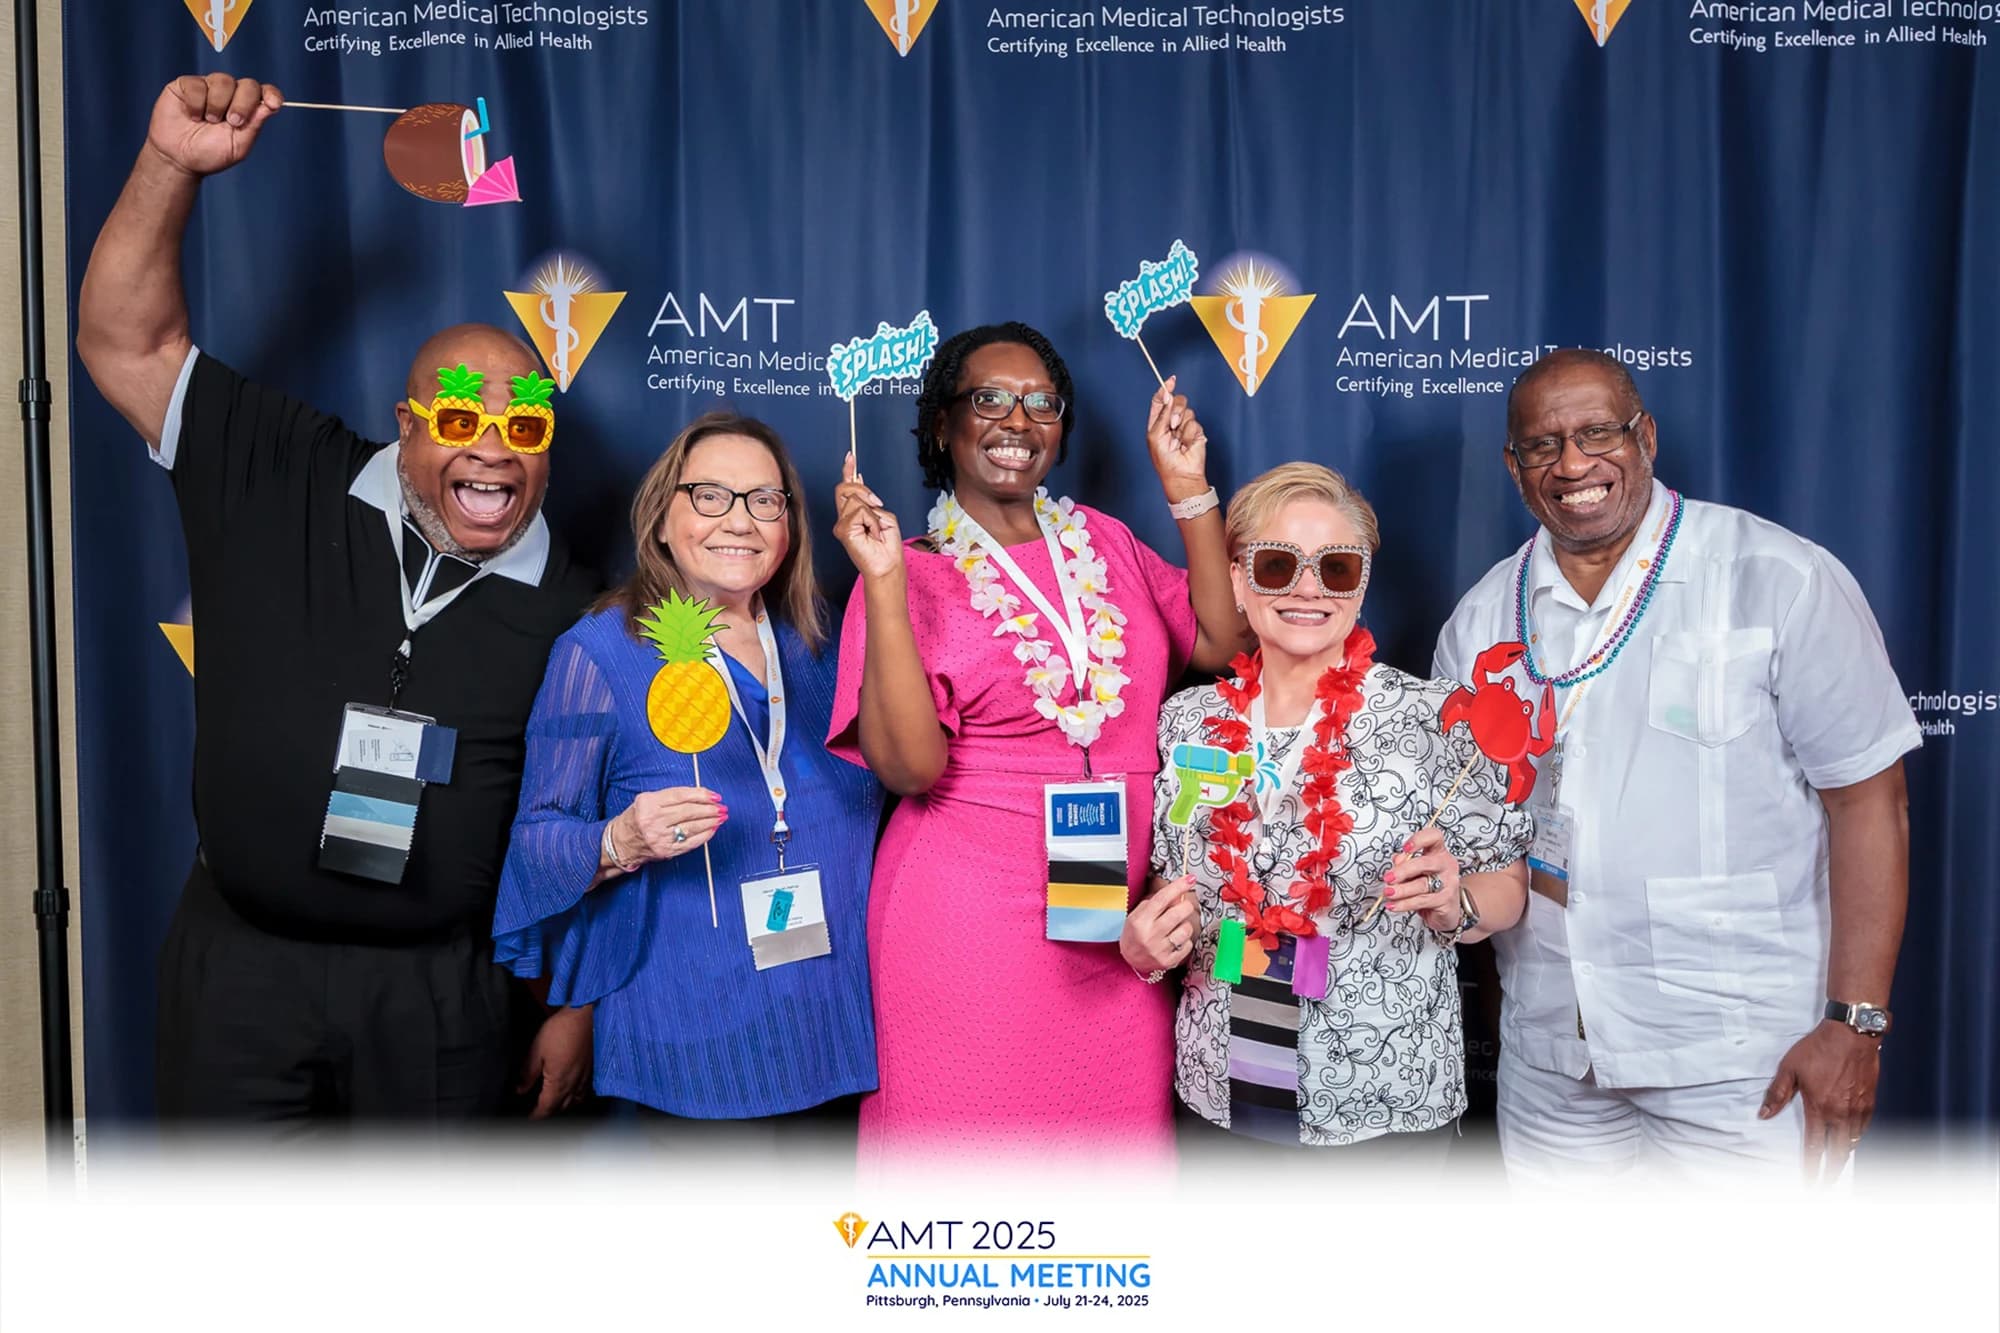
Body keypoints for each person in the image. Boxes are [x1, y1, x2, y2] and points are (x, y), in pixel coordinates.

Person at [75, 73, 600, 1125]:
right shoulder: (277, 468)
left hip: (442, 996)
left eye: (525, 427)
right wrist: (171, 162)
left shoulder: (575, 611)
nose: (493, 447)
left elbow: (580, 814)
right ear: (406, 425)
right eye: (458, 421)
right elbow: (125, 343)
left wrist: (571, 1002)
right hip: (244, 974)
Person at [1436, 348, 1919, 1183]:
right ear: (1515, 468)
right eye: (1543, 445)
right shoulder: (1480, 621)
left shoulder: (1776, 578)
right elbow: (1485, 842)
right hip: (1555, 1062)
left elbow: (1872, 804)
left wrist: (1854, 1025)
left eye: (1597, 432)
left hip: (1743, 1061)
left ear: (1645, 436)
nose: (1574, 463)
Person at [827, 321, 1250, 1166]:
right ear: (942, 425)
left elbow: (1220, 642)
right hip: (966, 927)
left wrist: (1189, 489)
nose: (1016, 421)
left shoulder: (1109, 542)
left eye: (1039, 403)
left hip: (1116, 927)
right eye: (988, 399)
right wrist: (881, 582)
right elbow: (910, 768)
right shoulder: (912, 569)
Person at [1126, 463, 1530, 1159]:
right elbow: (1170, 885)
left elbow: (1510, 886)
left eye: (1336, 566)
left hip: (1382, 1105)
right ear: (1236, 580)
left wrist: (1456, 900)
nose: (1308, 587)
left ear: (1363, 581)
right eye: (1278, 563)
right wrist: (1143, 946)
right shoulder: (1185, 722)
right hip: (1219, 1094)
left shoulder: (1433, 719)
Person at [492, 415, 879, 1134]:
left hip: (840, 1032)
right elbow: (535, 840)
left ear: (789, 525)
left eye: (765, 499)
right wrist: (619, 840)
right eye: (710, 495)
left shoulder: (828, 642)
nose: (739, 519)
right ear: (662, 519)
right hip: (698, 1042)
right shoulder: (601, 652)